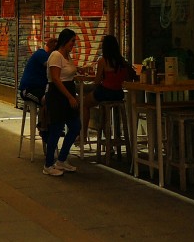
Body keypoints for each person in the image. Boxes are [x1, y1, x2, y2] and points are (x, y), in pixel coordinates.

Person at [43, 28, 82, 177]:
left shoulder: (67, 56)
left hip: (69, 93)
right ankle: (48, 164)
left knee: (75, 126)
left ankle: (62, 159)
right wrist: (69, 97)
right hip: (58, 95)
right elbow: (56, 79)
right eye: (72, 41)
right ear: (65, 41)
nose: (74, 44)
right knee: (56, 129)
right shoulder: (55, 55)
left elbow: (69, 74)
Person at [82, 35, 135, 139]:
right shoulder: (122, 61)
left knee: (84, 104)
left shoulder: (103, 61)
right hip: (118, 94)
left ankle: (83, 135)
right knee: (105, 111)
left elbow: (97, 82)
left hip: (105, 92)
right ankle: (110, 141)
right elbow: (128, 77)